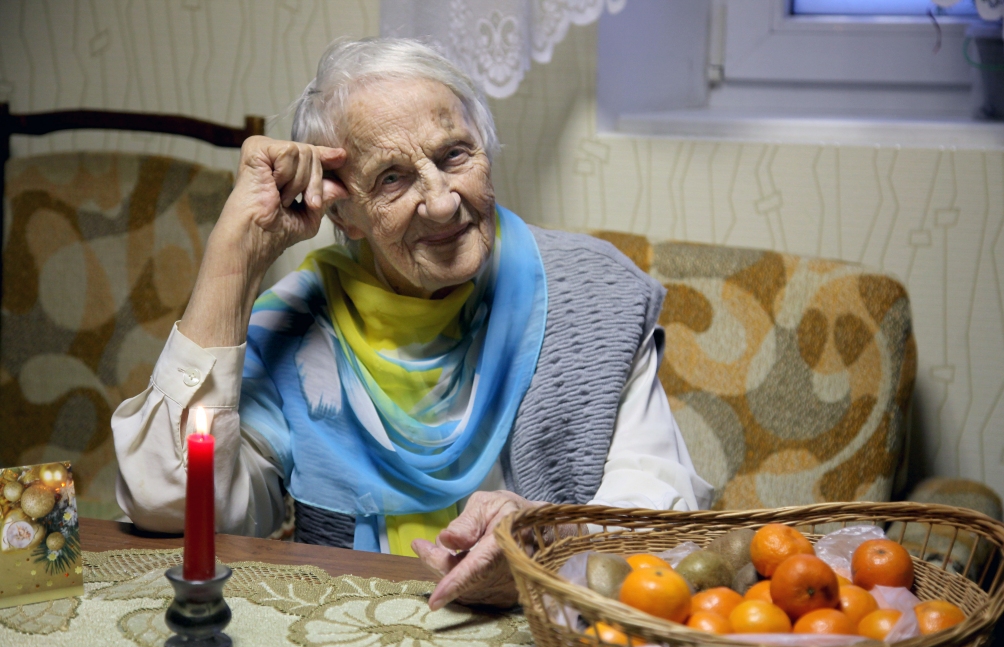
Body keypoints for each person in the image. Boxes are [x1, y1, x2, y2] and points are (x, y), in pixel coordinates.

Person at [113, 37, 712, 611]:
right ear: (342, 212)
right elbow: (171, 505)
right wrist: (232, 258)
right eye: (392, 178)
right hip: (346, 634)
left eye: (455, 155)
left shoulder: (592, 293)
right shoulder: (299, 331)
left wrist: (545, 545)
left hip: (545, 632)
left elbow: (660, 506)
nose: (444, 201)